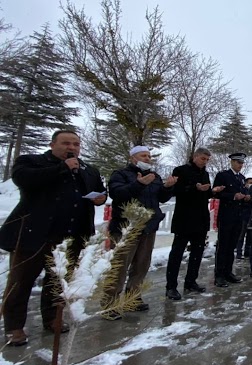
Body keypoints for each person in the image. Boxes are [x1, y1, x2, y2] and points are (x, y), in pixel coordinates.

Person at [0, 130, 107, 346]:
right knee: (21, 282)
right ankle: (14, 327)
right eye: (66, 143)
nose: (72, 148)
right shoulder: (32, 162)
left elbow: (99, 191)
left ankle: (52, 318)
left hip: (70, 237)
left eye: (76, 144)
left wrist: (100, 198)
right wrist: (62, 168)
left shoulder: (87, 169)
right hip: (34, 234)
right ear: (52, 144)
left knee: (58, 281)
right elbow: (24, 180)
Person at [106, 145, 176, 317]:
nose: (147, 159)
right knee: (120, 266)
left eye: (149, 156)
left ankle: (133, 298)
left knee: (141, 265)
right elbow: (117, 193)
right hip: (126, 228)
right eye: (143, 156)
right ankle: (110, 303)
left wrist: (168, 187)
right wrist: (138, 184)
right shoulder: (120, 174)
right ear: (132, 158)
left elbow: (160, 197)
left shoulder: (154, 176)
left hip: (148, 227)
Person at [165, 148, 217, 301]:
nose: (205, 162)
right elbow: (176, 191)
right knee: (177, 253)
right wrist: (195, 188)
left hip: (200, 219)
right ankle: (171, 286)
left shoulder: (205, 174)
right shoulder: (181, 170)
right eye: (202, 159)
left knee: (197, 252)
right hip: (184, 218)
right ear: (195, 157)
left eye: (207, 160)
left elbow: (206, 194)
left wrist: (212, 191)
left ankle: (191, 281)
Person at [212, 153, 250, 286]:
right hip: (226, 215)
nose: (240, 165)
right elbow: (216, 193)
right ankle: (219, 275)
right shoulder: (223, 175)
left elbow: (243, 193)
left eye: (242, 163)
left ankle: (228, 271)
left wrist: (245, 197)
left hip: (238, 216)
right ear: (232, 162)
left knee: (232, 245)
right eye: (238, 162)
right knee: (223, 245)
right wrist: (233, 196)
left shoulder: (241, 178)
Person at [236, 177, 252, 259]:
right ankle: (239, 252)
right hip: (244, 215)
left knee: (250, 236)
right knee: (241, 235)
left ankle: (247, 251)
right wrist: (245, 199)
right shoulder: (242, 191)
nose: (251, 184)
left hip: (251, 216)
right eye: (250, 182)